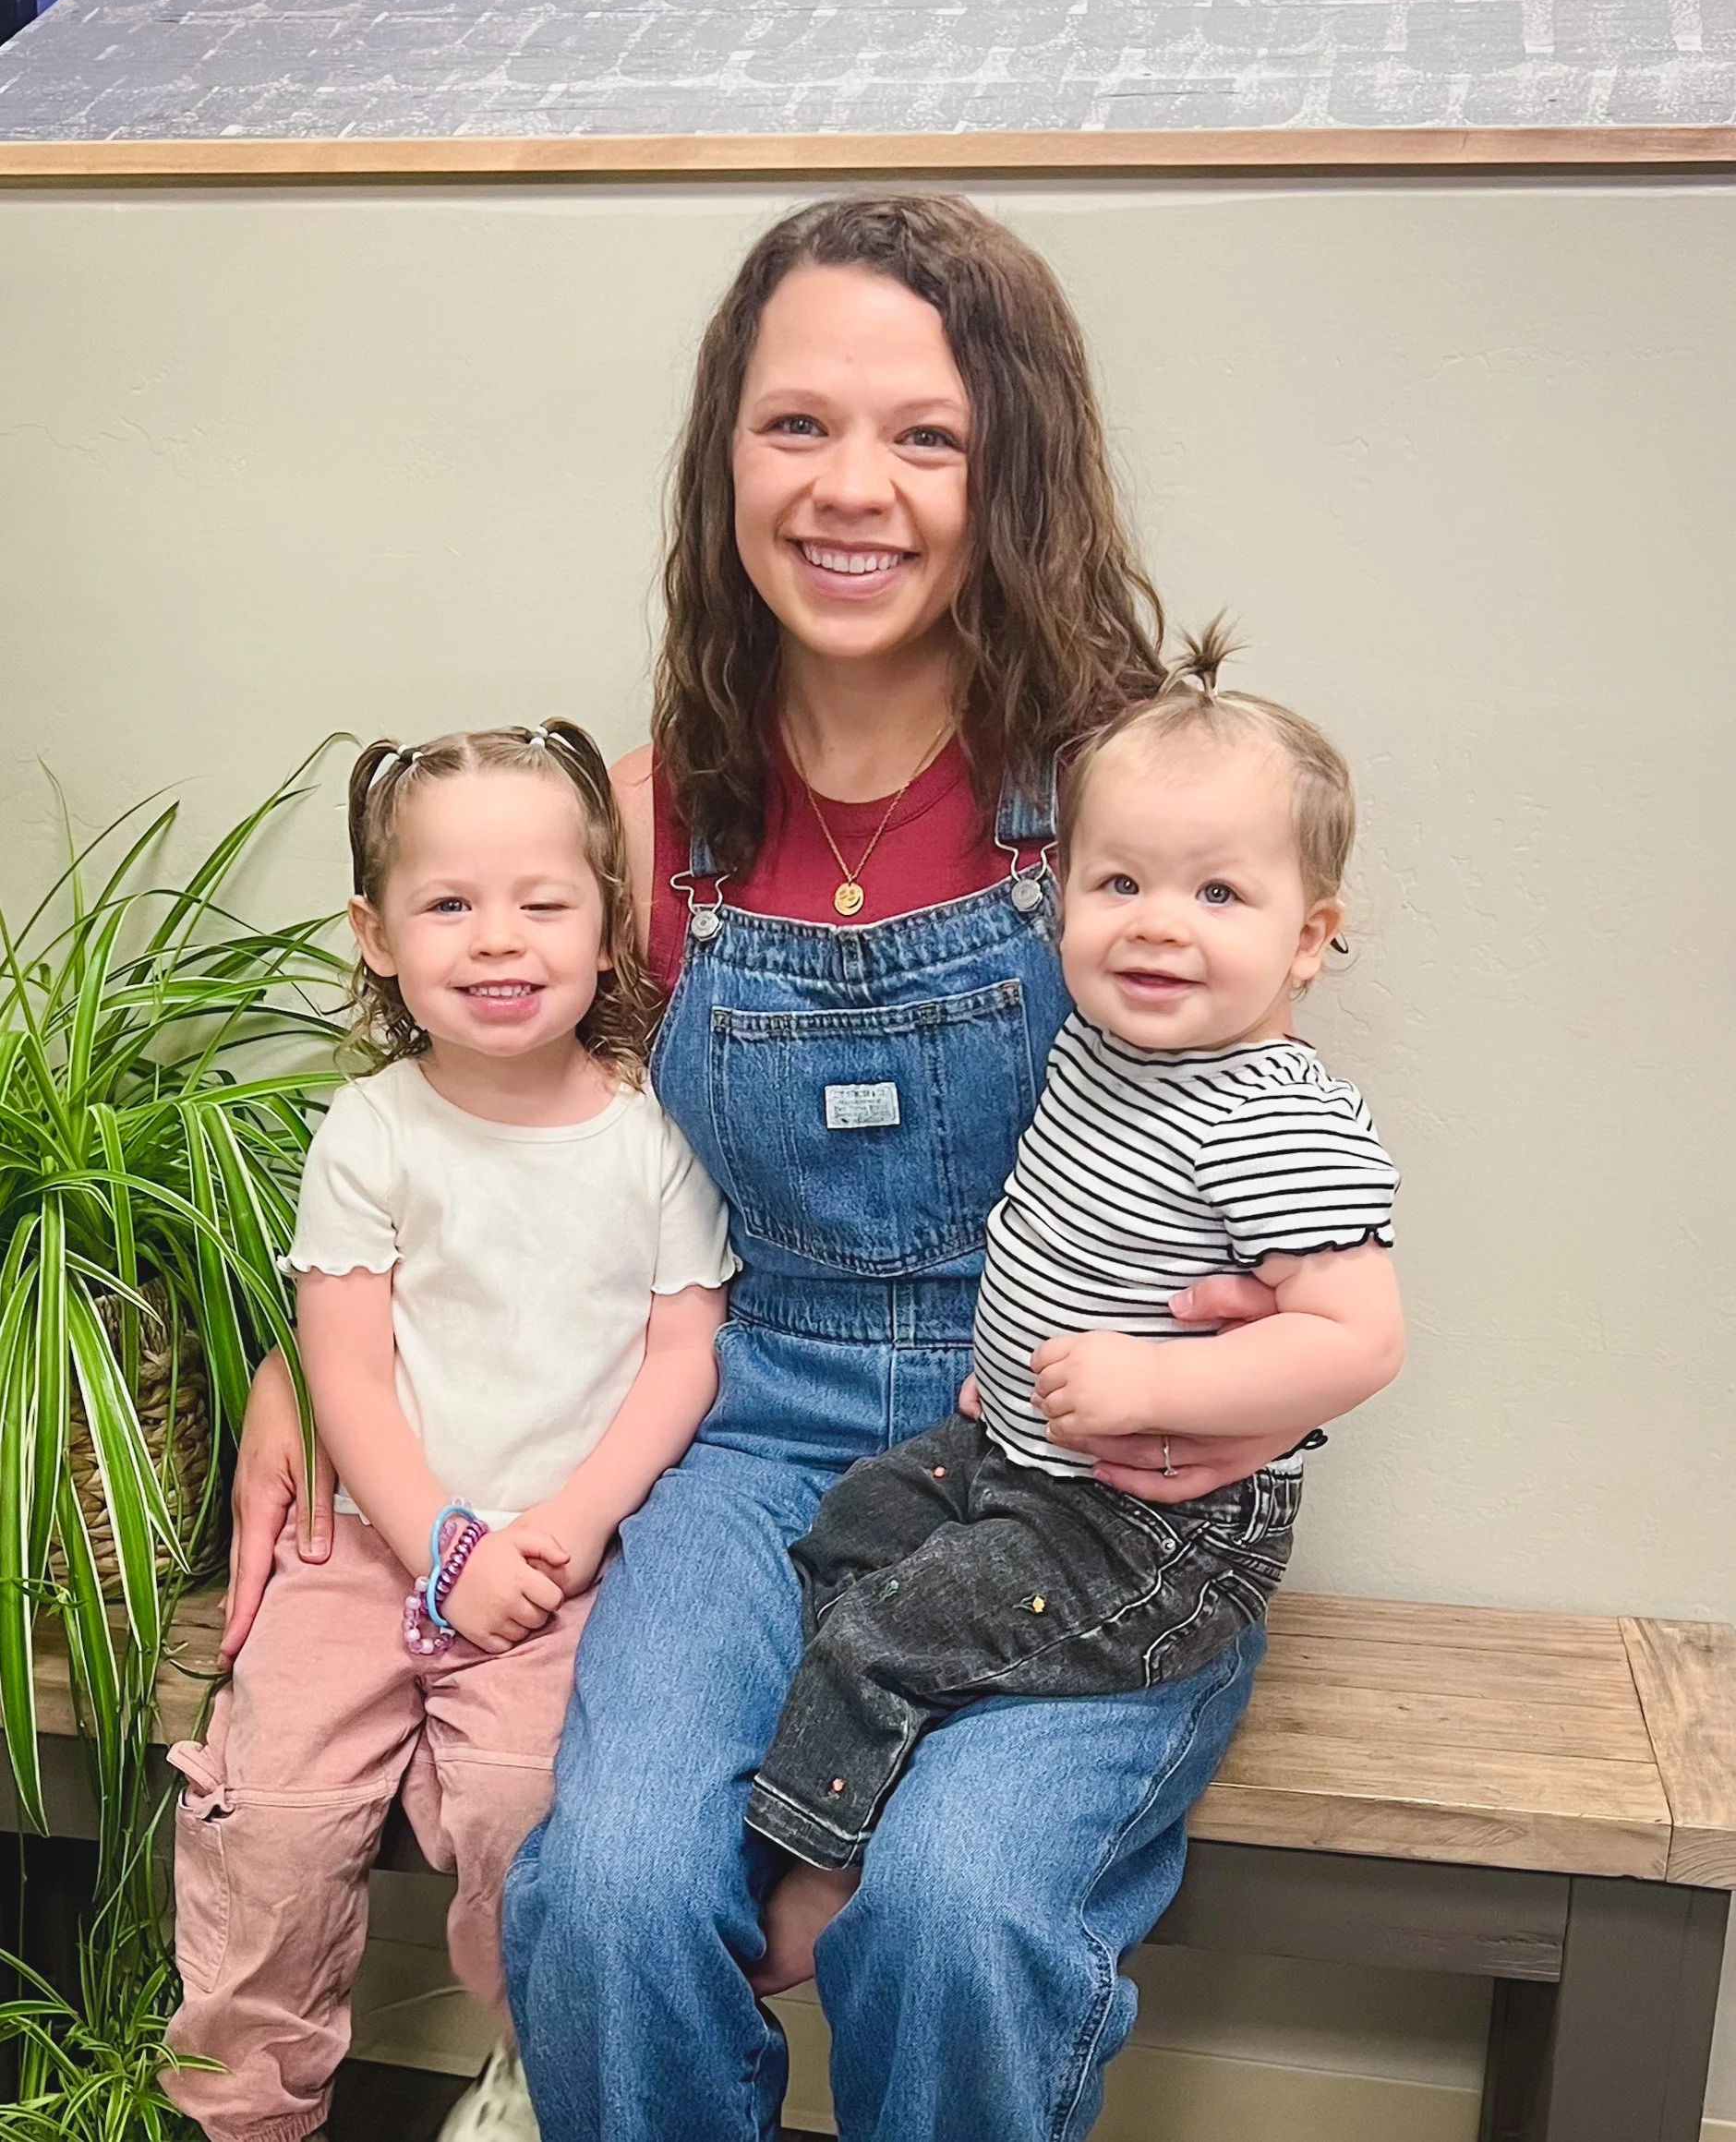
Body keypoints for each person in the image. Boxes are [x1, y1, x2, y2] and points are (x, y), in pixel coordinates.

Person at [220, 194, 1344, 2142]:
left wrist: (1247, 1361)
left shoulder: (1127, 792)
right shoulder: (644, 816)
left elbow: (1273, 1159)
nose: (852, 487)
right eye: (796, 423)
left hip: (1070, 1465)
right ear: (722, 454)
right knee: (608, 1887)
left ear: (1013, 469)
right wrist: (311, 1360)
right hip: (742, 1439)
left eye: (927, 436)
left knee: (954, 1913)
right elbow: (491, 1126)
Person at [744, 626, 1404, 1979]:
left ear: (1308, 941)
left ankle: (818, 1869)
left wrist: (1155, 1385)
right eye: (1120, 881)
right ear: (1059, 896)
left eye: (1218, 893)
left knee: (887, 1629)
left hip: (1148, 1531)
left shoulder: (1273, 1118)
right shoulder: (1101, 1045)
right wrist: (1007, 1366)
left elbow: (1359, 1336)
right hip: (1017, 1451)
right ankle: (886, 1743)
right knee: (850, 1529)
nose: (1157, 921)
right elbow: (1075, 1231)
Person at [163, 722, 735, 2142]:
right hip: (370, 1544)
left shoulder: (653, 1136)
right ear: (375, 934)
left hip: (554, 1569)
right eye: (448, 904)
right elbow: (345, 1372)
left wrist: (570, 1528)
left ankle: (536, 2056)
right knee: (273, 1812)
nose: (498, 939)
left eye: (542, 901)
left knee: (522, 1806)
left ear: (607, 923)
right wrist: (441, 1546)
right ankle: (245, 2106)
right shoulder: (374, 1130)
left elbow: (684, 1353)